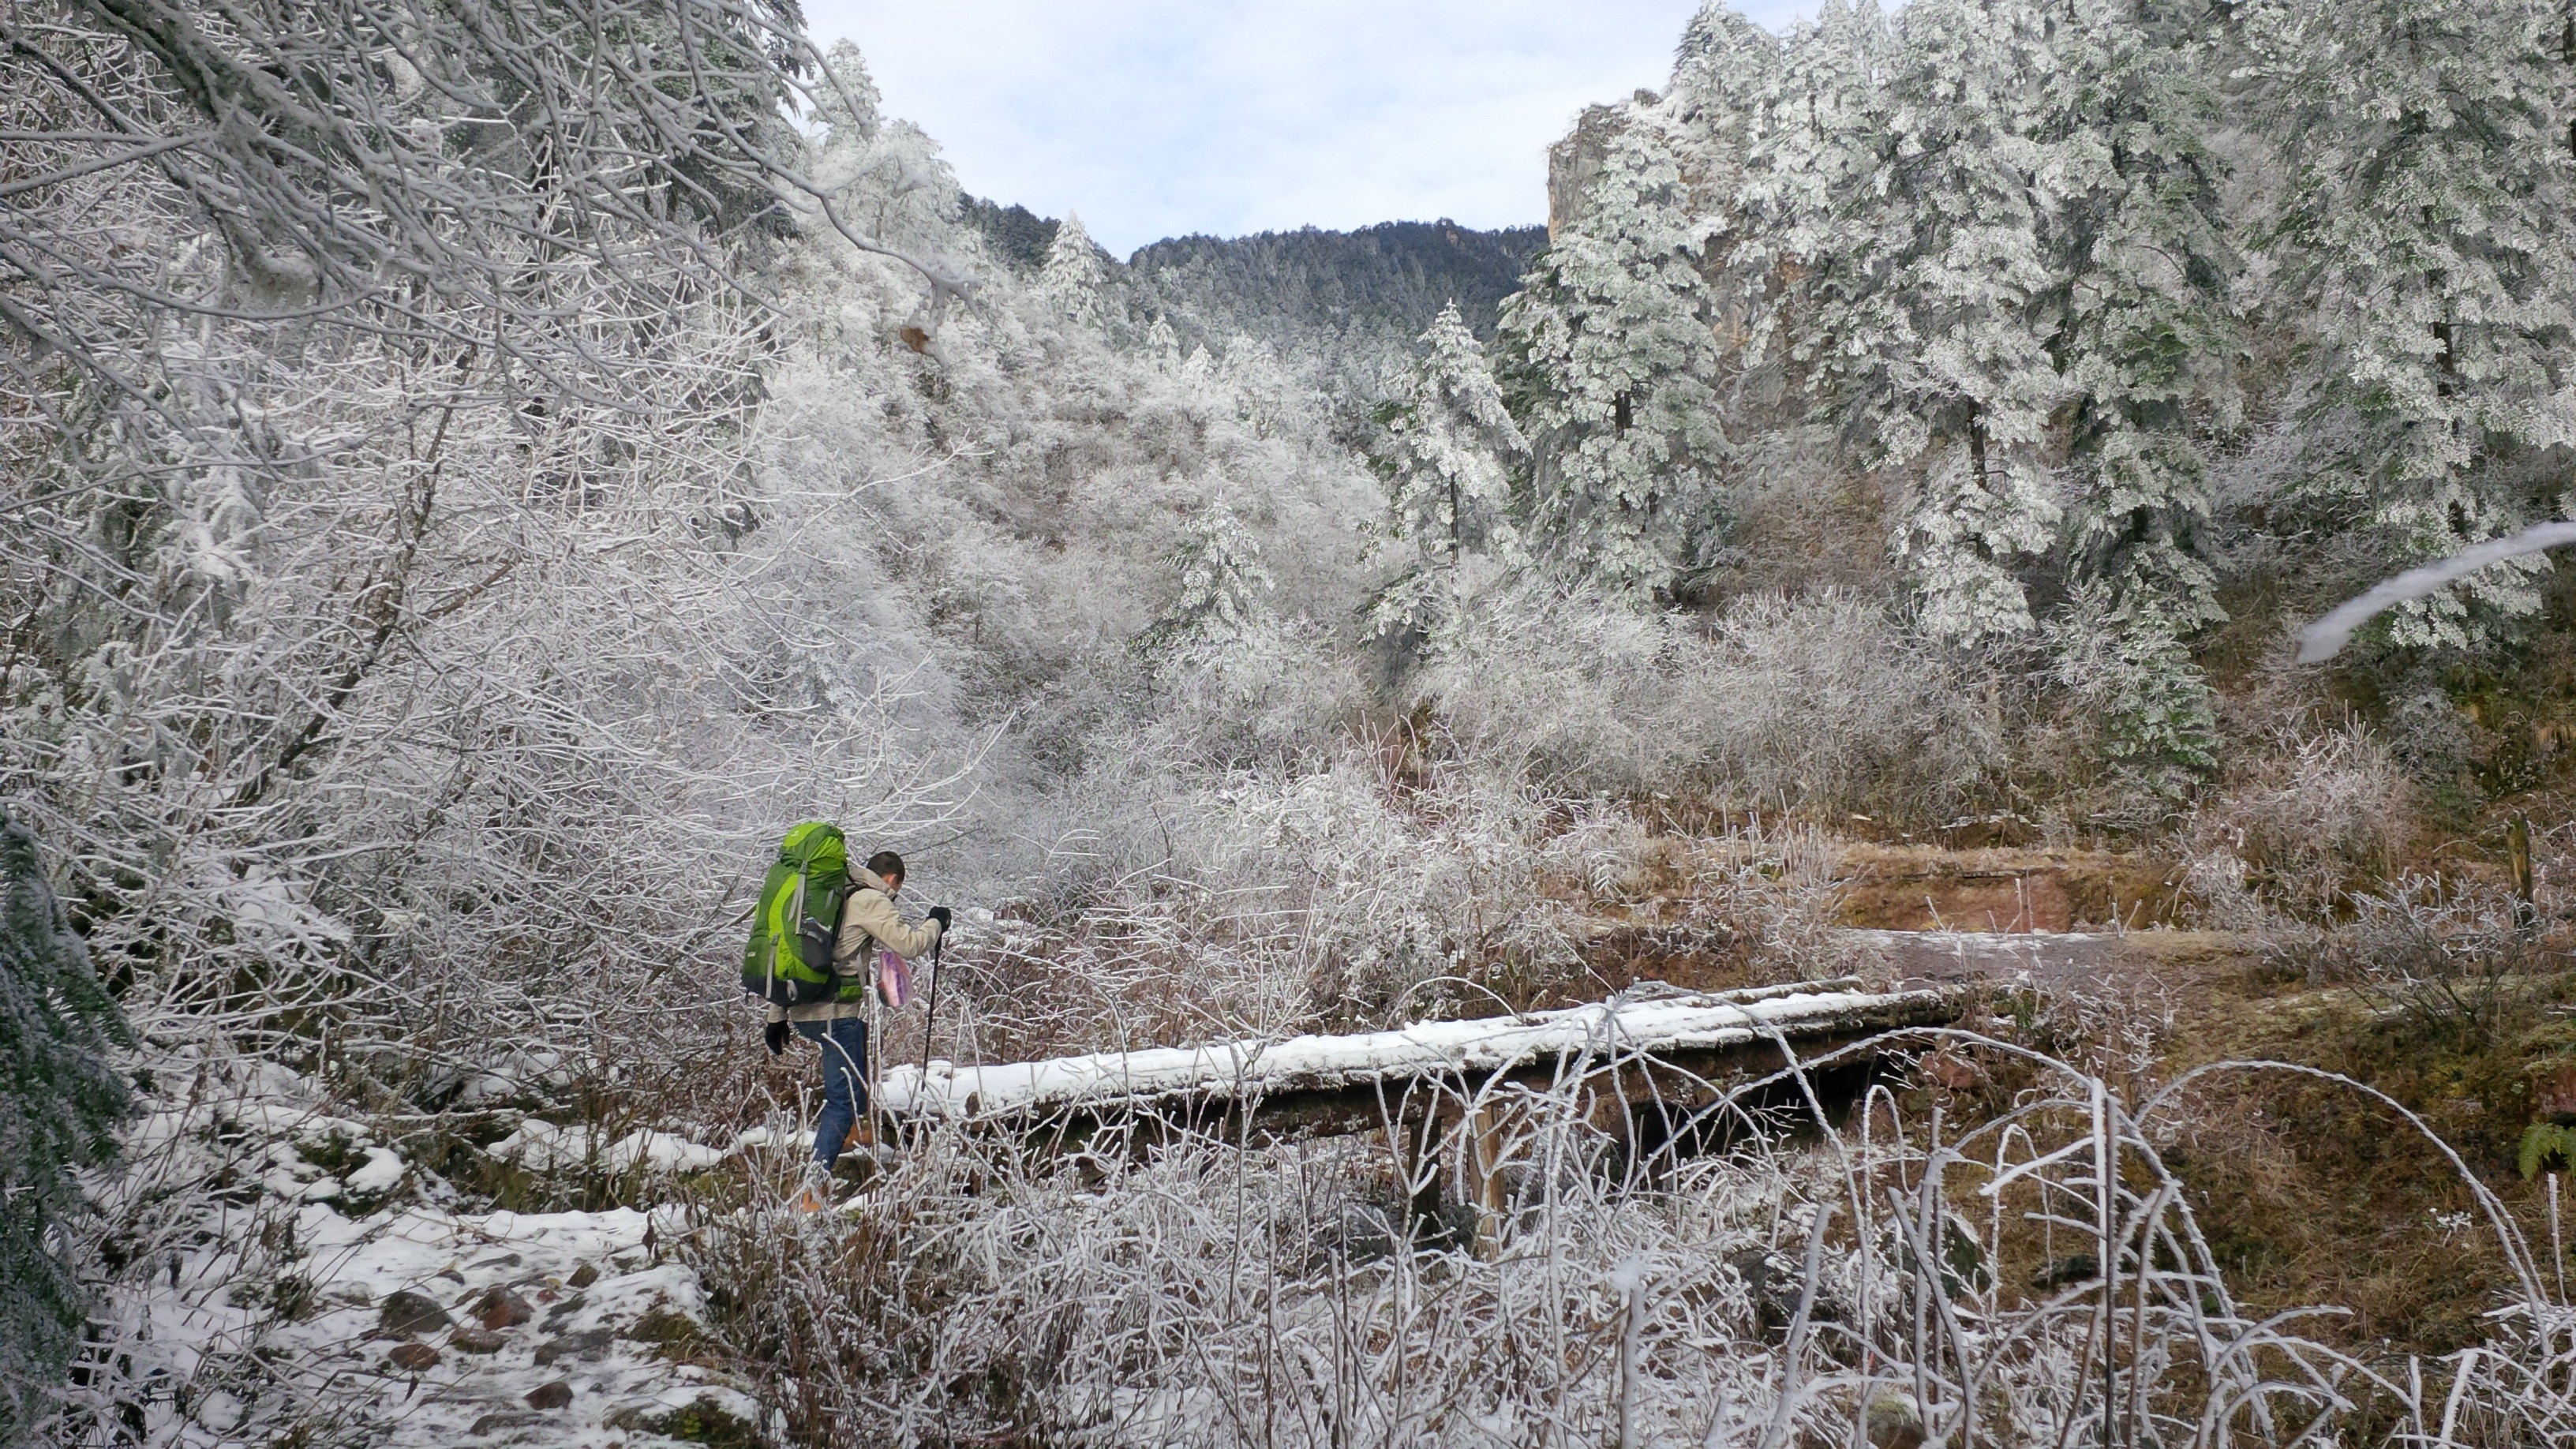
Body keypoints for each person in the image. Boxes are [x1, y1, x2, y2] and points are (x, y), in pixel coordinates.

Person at [763, 848, 949, 1208]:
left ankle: (850, 1134)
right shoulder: (869, 900)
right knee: (841, 1100)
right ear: (893, 879)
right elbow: (909, 944)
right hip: (835, 1012)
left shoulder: (829, 898)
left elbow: (791, 955)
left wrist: (777, 1017)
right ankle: (811, 1190)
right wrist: (936, 922)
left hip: (804, 1009)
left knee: (856, 1065)